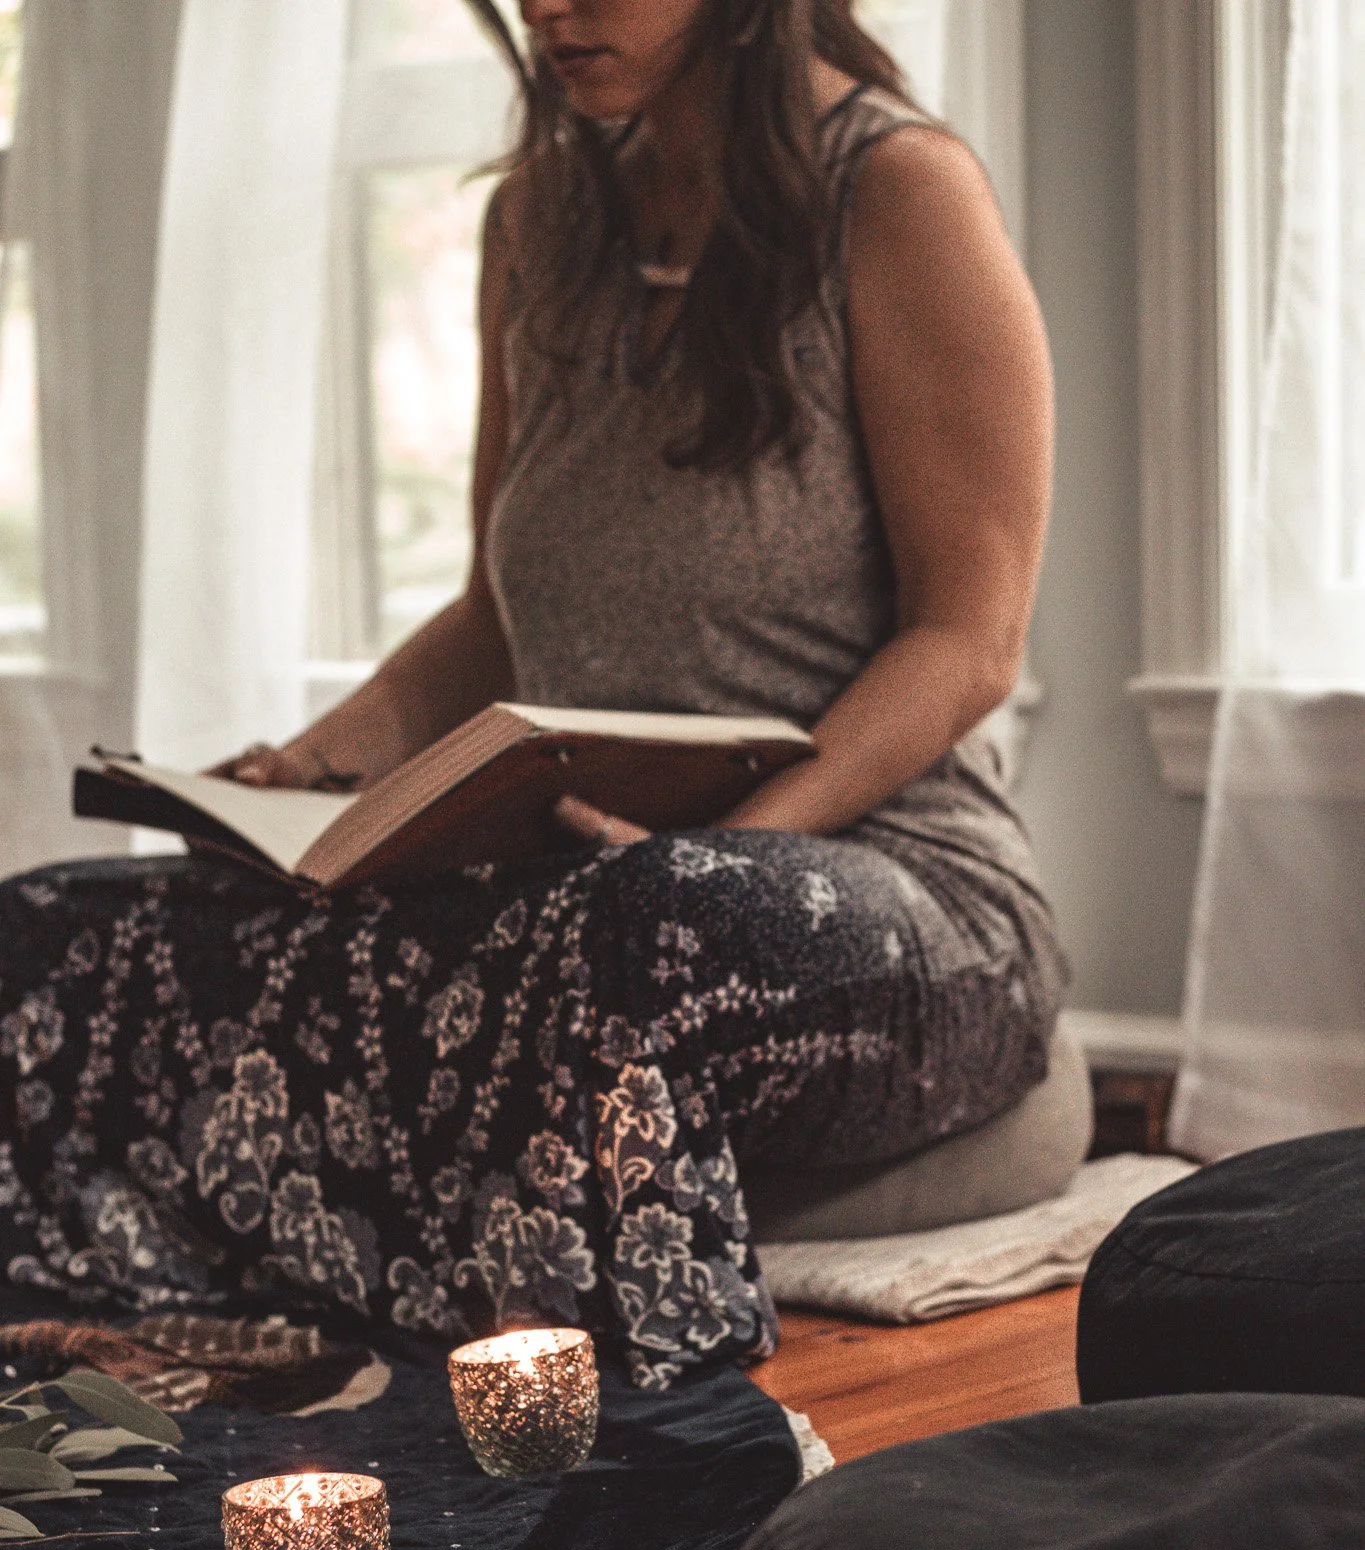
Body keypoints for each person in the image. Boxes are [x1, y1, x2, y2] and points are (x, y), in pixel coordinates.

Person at [0, 0, 1066, 1387]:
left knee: (635, 928)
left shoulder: (901, 192)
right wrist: (309, 775)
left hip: (889, 888)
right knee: (64, 933)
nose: (548, 3)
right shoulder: (542, 222)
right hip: (576, 885)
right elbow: (494, 623)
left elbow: (969, 641)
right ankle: (131, 1356)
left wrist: (731, 849)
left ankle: (588, 1414)